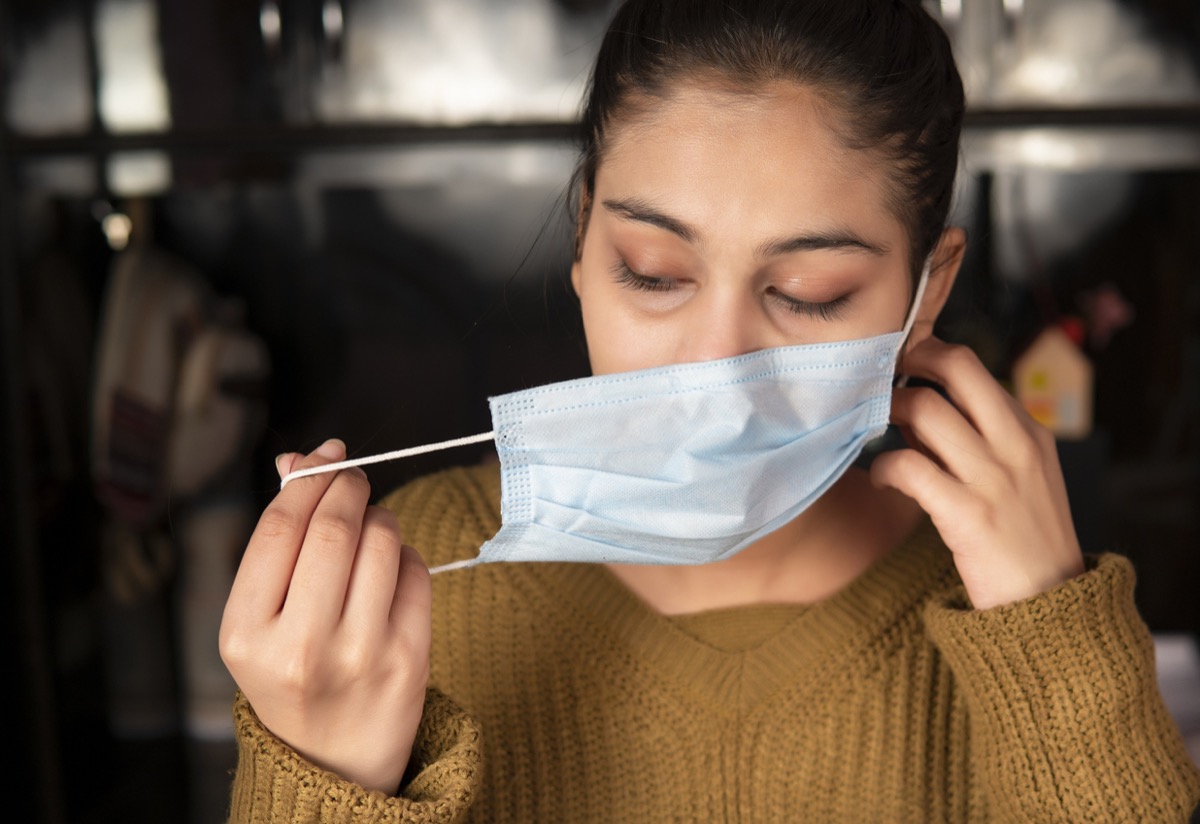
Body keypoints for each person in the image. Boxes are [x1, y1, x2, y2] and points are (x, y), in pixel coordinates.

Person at [219, 0, 1200, 821]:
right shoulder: (398, 592)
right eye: (653, 274)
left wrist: (1054, 641)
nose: (717, 365)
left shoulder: (1014, 610)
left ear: (925, 294)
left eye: (810, 289)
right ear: (583, 244)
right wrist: (323, 774)